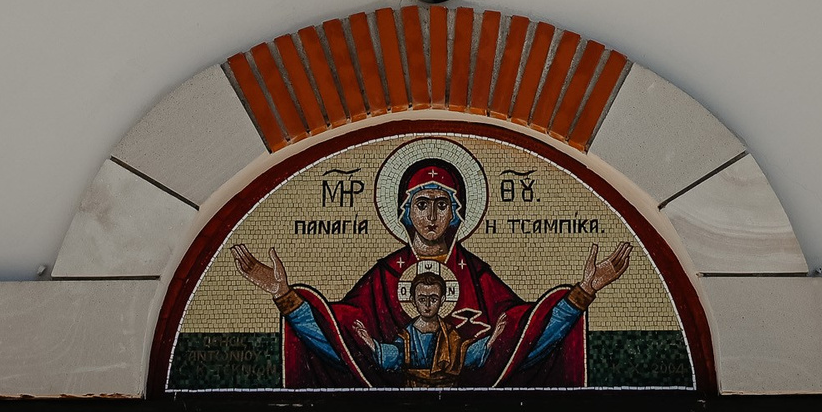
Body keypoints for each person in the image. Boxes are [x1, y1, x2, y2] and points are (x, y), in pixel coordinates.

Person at [230, 153, 632, 388]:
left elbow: (523, 338)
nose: (432, 215)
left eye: (443, 204)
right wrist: (285, 297)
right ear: (405, 212)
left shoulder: (475, 274)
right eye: (422, 204)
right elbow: (341, 341)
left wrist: (583, 293)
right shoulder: (385, 276)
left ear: (456, 213)